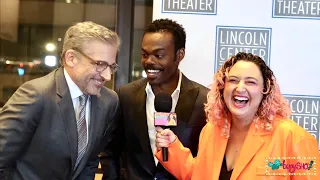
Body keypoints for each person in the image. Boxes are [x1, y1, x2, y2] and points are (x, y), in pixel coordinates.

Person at [155, 52, 320, 180]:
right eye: (233, 80)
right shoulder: (212, 131)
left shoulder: (293, 137)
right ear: (222, 87)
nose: (240, 88)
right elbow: (198, 174)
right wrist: (172, 147)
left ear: (265, 90)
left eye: (250, 82)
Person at [0, 21, 121, 180]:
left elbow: (89, 162)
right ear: (71, 58)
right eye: (100, 64)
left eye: (111, 66)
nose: (107, 76)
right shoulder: (36, 95)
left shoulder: (108, 101)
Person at [101, 18, 209, 180]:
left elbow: (208, 160)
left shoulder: (204, 100)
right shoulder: (126, 95)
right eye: (145, 54)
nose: (149, 62)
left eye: (159, 55)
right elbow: (111, 151)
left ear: (179, 55)